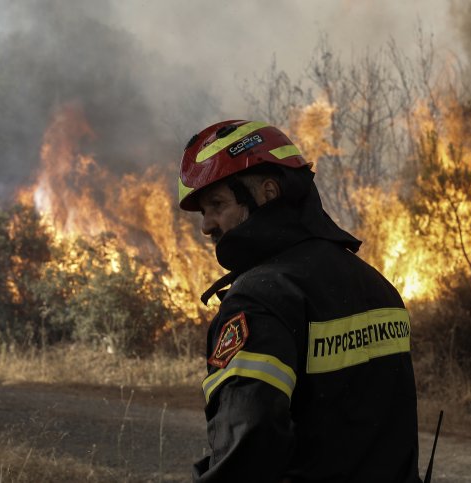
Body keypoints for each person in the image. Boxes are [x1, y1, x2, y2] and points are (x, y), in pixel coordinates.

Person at [178, 120, 422, 483]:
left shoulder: (260, 299)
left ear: (268, 193)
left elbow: (248, 446)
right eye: (203, 211)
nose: (207, 225)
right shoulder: (378, 286)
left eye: (217, 204)